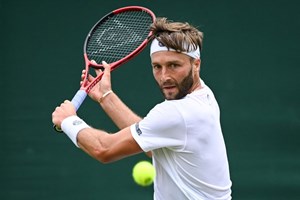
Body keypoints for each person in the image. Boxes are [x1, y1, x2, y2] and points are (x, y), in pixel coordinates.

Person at [52, 17, 232, 200]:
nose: (164, 76)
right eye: (157, 66)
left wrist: (68, 120)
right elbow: (151, 142)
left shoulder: (178, 113)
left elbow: (103, 149)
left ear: (196, 64)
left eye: (174, 65)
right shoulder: (204, 94)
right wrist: (106, 97)